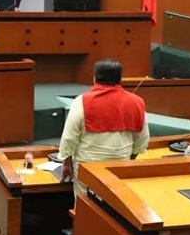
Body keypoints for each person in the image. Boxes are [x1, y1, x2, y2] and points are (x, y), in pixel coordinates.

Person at [58, 59, 149, 195]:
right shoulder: (137, 102)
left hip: (88, 167)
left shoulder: (82, 101)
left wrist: (66, 163)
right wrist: (128, 160)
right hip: (119, 165)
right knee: (114, 203)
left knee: (86, 204)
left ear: (95, 78)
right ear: (119, 79)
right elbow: (142, 138)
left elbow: (69, 137)